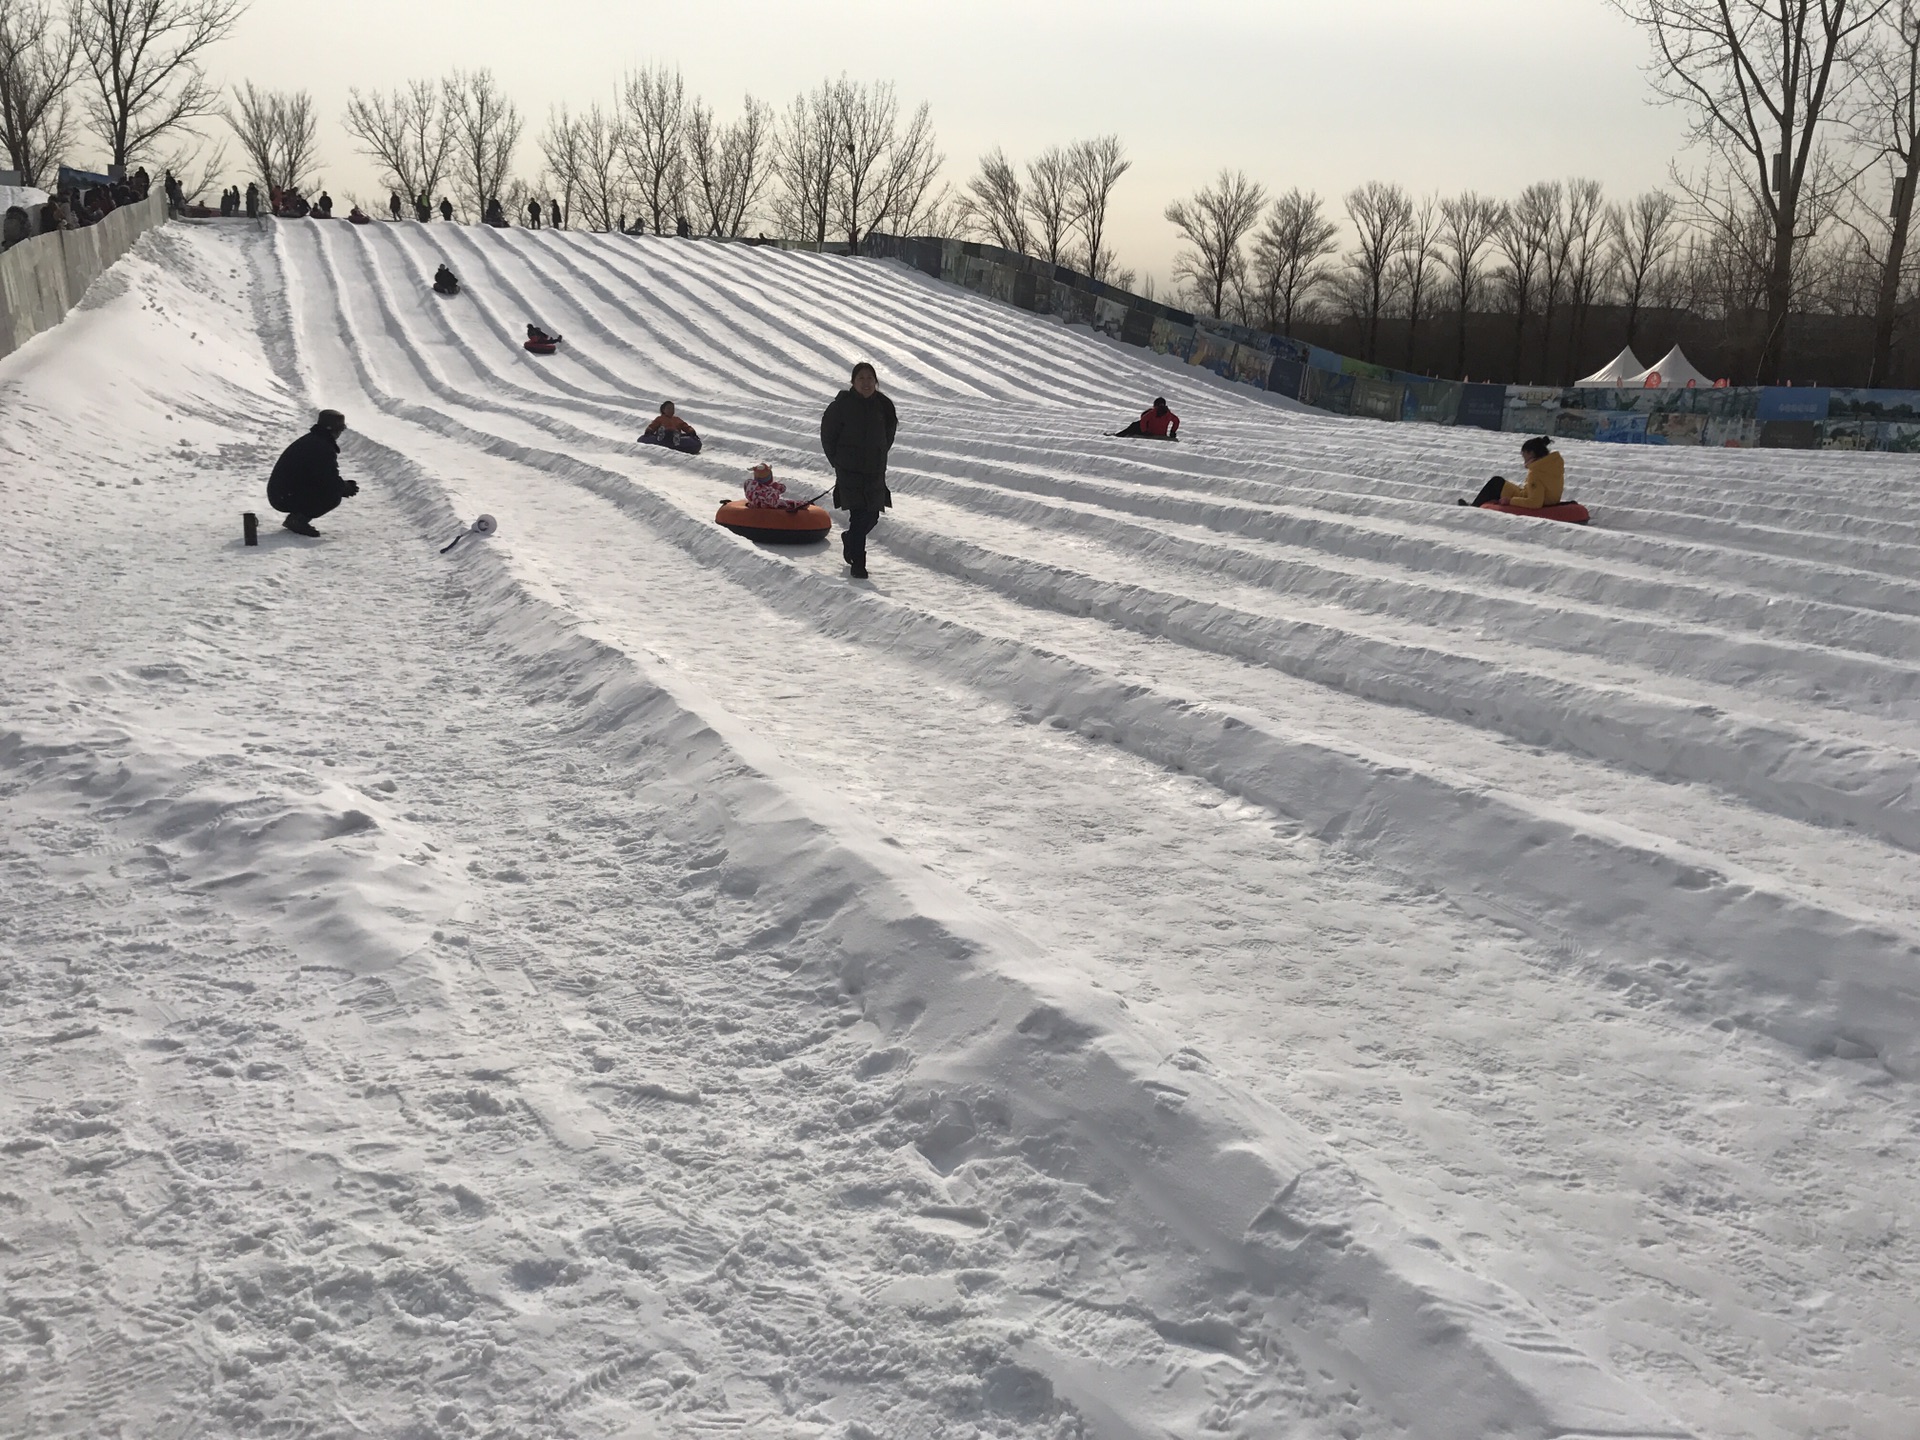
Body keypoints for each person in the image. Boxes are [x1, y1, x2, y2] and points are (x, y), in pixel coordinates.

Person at [820, 361, 897, 580]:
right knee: (859, 514)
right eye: (861, 378)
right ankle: (858, 563)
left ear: (876, 382)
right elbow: (828, 435)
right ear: (853, 381)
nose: (866, 382)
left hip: (874, 470)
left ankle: (850, 540)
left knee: (872, 516)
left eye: (870, 378)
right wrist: (838, 461)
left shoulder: (884, 405)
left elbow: (889, 433)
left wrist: (879, 453)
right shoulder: (841, 406)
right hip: (849, 470)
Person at [267, 410, 358, 537]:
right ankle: (298, 520)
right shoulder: (322, 447)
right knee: (332, 496)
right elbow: (327, 479)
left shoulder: (314, 441)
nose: (340, 434)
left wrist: (341, 486)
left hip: (281, 493)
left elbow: (321, 476)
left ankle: (297, 517)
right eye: (340, 430)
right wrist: (344, 487)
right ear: (334, 430)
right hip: (283, 496)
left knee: (333, 489)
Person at [1461, 436, 1565, 510]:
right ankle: (1476, 505)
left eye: (1524, 454)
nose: (1523, 458)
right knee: (1498, 482)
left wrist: (1510, 501)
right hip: (1546, 500)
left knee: (1496, 483)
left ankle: (1474, 508)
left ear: (1531, 453)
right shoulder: (1552, 466)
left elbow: (1535, 502)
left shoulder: (1536, 473)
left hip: (1530, 499)